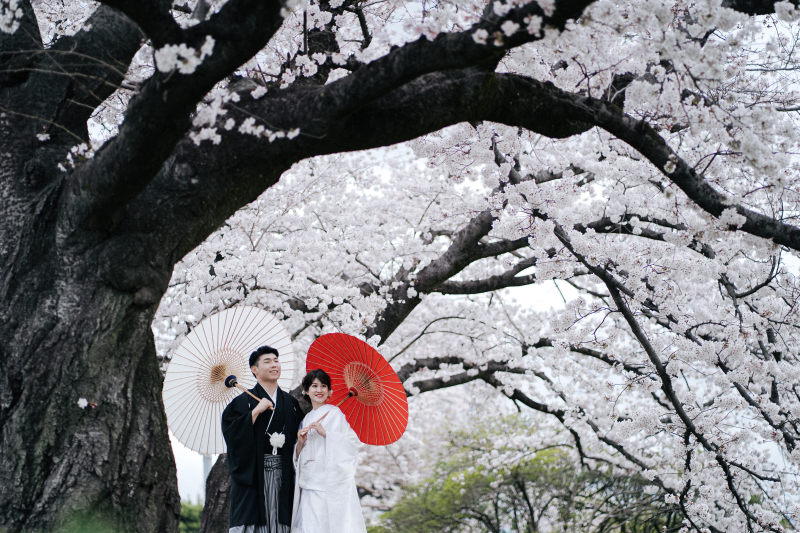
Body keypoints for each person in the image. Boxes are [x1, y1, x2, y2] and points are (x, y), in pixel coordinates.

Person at [222, 346, 301, 533]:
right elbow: (233, 437)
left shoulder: (290, 403)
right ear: (254, 369)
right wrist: (255, 412)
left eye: (276, 360)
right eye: (267, 361)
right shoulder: (241, 404)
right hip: (254, 478)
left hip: (284, 477)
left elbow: (298, 443)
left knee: (282, 524)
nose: (274, 365)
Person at [291, 369, 367, 533]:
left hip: (327, 484)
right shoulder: (306, 419)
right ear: (306, 391)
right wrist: (300, 444)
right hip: (308, 484)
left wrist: (327, 434)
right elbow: (298, 456)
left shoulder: (337, 415)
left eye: (323, 386)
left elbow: (352, 444)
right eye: (314, 386)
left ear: (330, 391)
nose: (319, 390)